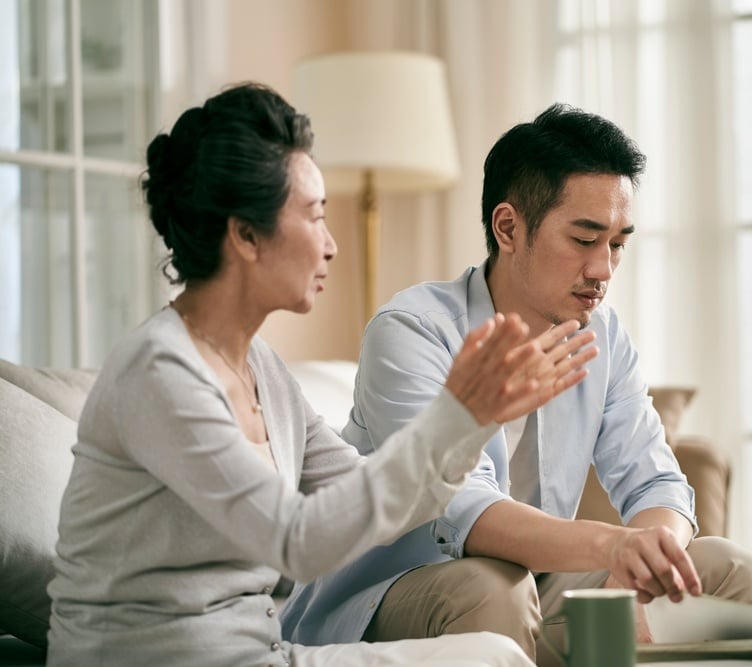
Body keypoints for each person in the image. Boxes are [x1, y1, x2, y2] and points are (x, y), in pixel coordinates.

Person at [44, 84, 599, 667]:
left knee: (491, 653)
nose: (331, 245)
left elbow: (372, 500)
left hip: (259, 654)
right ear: (246, 235)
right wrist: (458, 413)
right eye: (314, 216)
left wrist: (475, 422)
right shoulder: (159, 373)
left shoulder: (260, 367)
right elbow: (298, 539)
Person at [280, 103, 752, 666]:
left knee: (728, 570)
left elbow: (658, 483)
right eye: (585, 240)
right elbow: (464, 512)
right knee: (493, 584)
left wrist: (640, 568)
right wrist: (614, 545)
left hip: (536, 585)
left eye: (617, 244)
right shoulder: (412, 331)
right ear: (508, 227)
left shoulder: (602, 335)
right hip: (386, 597)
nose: (604, 270)